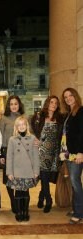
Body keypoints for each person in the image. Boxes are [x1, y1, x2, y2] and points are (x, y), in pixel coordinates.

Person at [31, 96, 63, 213]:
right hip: (41, 152)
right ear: (47, 103)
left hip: (54, 152)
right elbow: (31, 130)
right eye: (51, 102)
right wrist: (35, 139)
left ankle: (41, 196)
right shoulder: (39, 116)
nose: (53, 104)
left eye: (56, 103)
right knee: (44, 176)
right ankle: (48, 200)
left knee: (46, 177)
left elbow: (62, 134)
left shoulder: (60, 118)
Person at [6, 116, 39, 222]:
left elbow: (35, 156)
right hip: (16, 172)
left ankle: (25, 211)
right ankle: (19, 212)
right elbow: (9, 157)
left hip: (28, 171)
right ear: (16, 127)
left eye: (23, 124)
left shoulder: (32, 138)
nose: (21, 127)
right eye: (19, 125)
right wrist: (9, 172)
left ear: (27, 126)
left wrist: (36, 171)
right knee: (18, 193)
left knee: (26, 193)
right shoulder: (12, 139)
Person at [61, 88, 83, 224]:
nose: (68, 98)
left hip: (76, 153)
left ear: (75, 96)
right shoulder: (69, 113)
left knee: (75, 182)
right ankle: (76, 208)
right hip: (68, 153)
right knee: (74, 183)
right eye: (65, 97)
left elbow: (82, 133)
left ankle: (79, 213)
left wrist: (81, 152)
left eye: (70, 95)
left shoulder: (81, 111)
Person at [0, 95, 25, 214]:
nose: (14, 106)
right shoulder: (4, 118)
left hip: (22, 154)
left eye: (16, 103)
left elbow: (30, 134)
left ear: (19, 105)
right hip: (7, 152)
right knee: (9, 179)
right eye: (11, 104)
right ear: (8, 106)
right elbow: (0, 136)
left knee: (20, 179)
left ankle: (21, 202)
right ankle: (13, 202)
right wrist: (1, 155)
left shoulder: (25, 118)